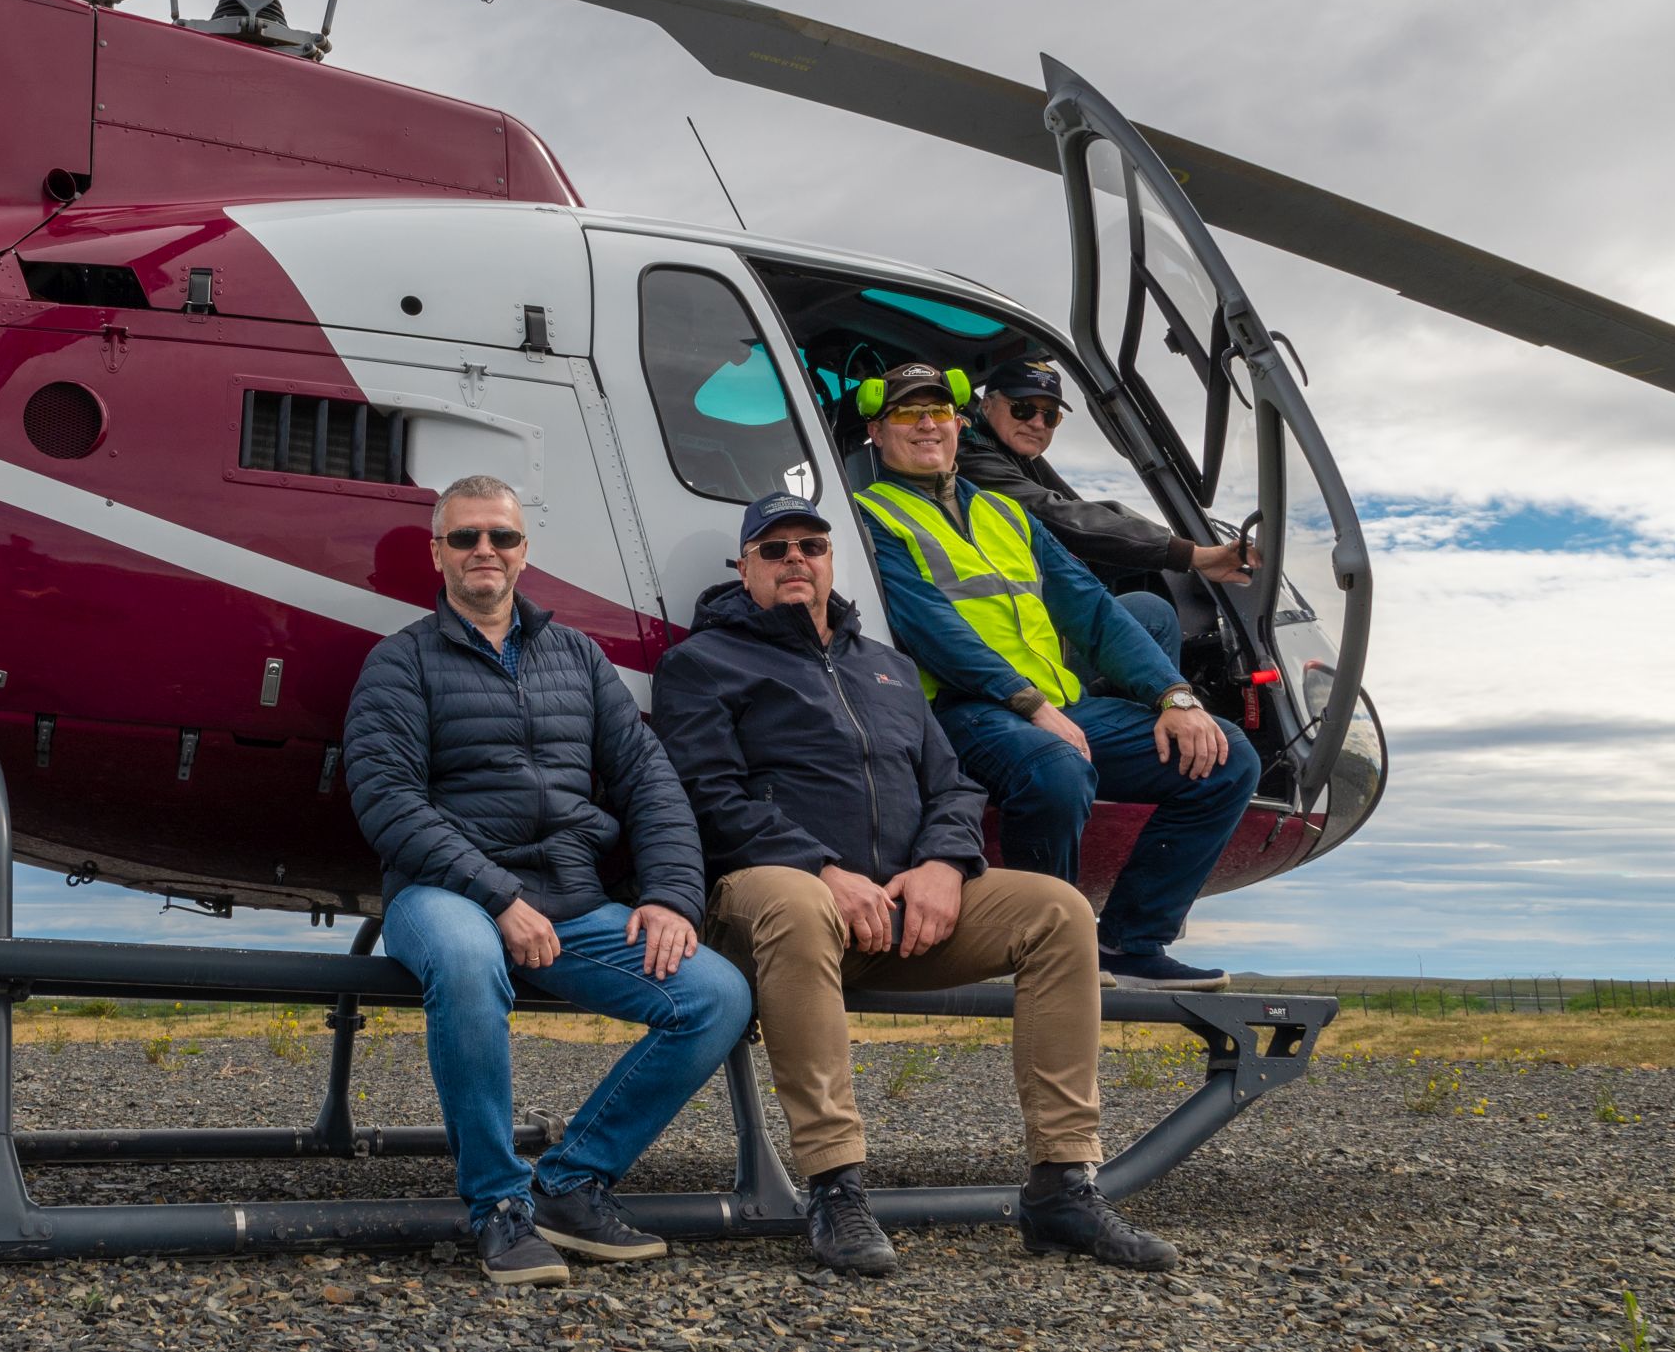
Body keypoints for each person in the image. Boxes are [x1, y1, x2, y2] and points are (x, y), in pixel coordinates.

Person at [651, 492, 1179, 1276]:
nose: (796, 558)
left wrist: (942, 863)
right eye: (774, 548)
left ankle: (1063, 1185)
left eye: (812, 544)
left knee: (1059, 909)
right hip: (772, 907)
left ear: (832, 560)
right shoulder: (701, 663)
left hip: (904, 910)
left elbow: (956, 785)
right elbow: (707, 795)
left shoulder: (888, 666)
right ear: (744, 568)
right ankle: (836, 1186)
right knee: (797, 903)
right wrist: (826, 870)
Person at [345, 474, 753, 1287]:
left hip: (569, 901)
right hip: (444, 894)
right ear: (438, 552)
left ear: (524, 551)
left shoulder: (579, 658)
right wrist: (498, 896)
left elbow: (648, 779)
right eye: (464, 537)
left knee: (716, 994)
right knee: (467, 960)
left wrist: (672, 894)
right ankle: (499, 1204)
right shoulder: (399, 663)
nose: (483, 550)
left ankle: (570, 1182)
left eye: (499, 535)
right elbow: (386, 800)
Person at [852, 365, 1259, 993]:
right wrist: (1032, 703)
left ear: (960, 425)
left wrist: (1175, 696)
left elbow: (1093, 611)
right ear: (877, 432)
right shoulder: (869, 517)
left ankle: (1129, 942)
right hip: (963, 710)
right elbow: (928, 626)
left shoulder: (1009, 516)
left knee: (1227, 759)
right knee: (1055, 769)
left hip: (1053, 706)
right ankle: (1049, 951)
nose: (927, 424)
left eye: (937, 412)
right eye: (907, 415)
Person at [957, 356, 1251, 669]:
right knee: (1154, 615)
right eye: (1023, 409)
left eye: (1050, 416)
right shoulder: (973, 458)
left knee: (1147, 610)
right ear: (987, 405)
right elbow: (1057, 515)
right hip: (1007, 647)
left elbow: (1074, 507)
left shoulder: (1016, 458)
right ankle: (1169, 711)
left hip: (1030, 626)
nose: (1037, 423)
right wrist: (1191, 555)